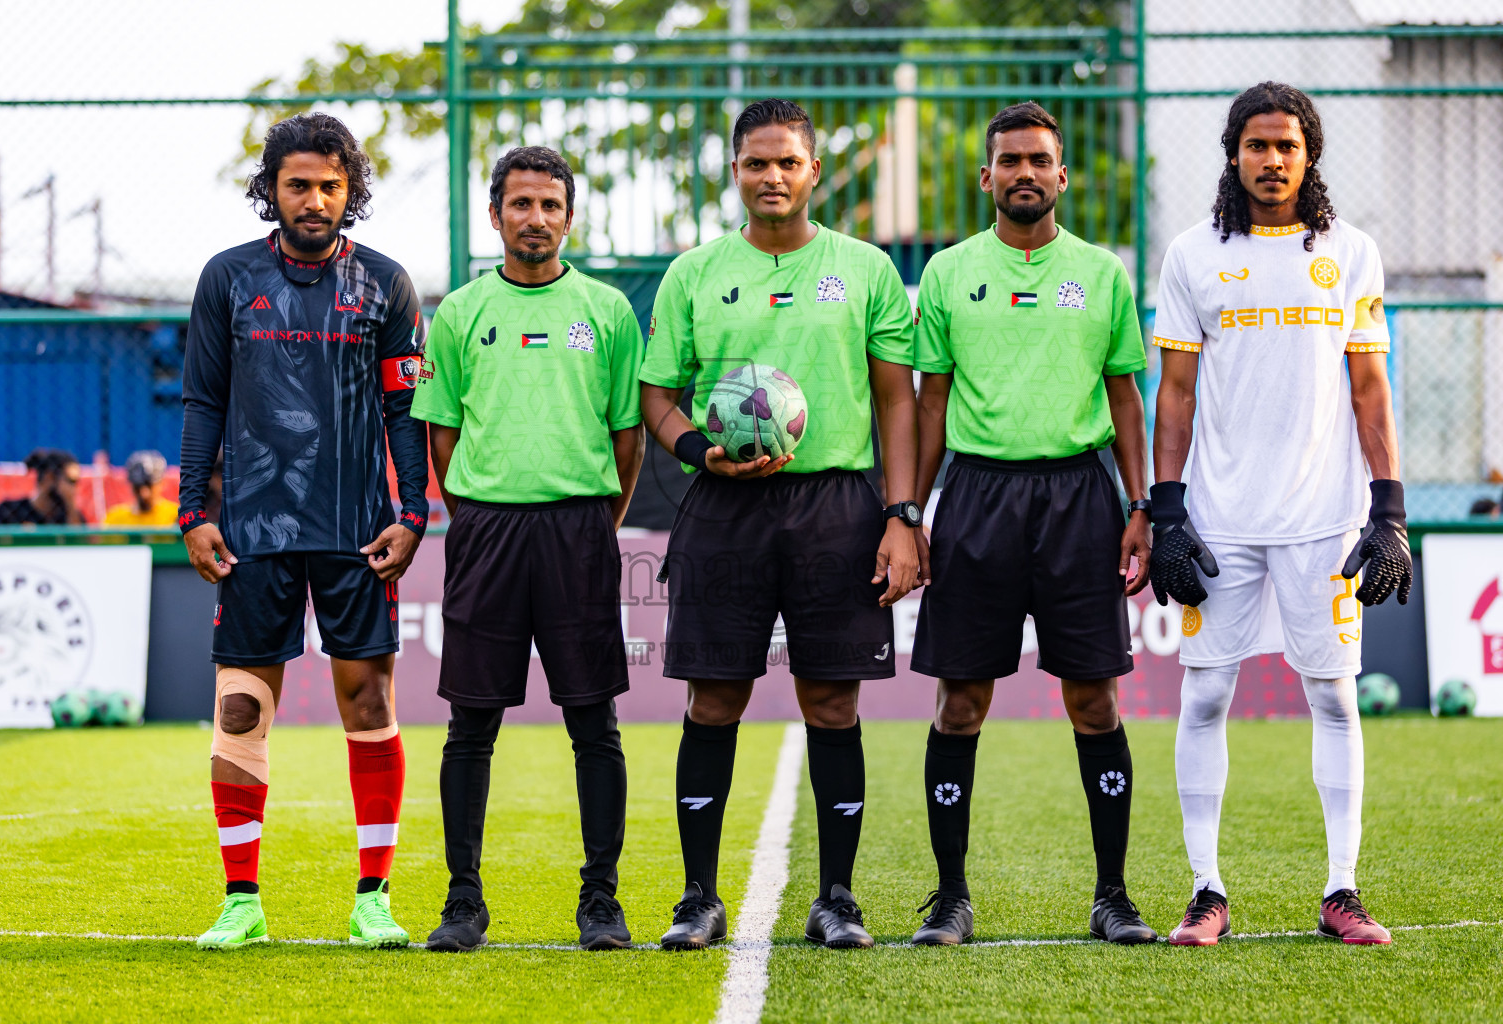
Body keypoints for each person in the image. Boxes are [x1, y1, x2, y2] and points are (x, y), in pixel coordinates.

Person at [640, 99, 919, 951]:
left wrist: (902, 515)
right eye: (756, 163)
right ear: (736, 172)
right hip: (724, 504)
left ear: (813, 172)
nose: (772, 177)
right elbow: (657, 393)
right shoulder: (694, 272)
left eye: (787, 163)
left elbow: (895, 400)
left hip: (837, 502)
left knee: (831, 701)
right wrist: (698, 448)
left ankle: (837, 897)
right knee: (714, 696)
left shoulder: (865, 268)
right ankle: (698, 899)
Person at [1150, 82, 1410, 946]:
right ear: (1233, 153)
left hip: (1325, 520)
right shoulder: (1192, 254)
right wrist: (1168, 513)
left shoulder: (1352, 253)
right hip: (1220, 521)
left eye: (1287, 146)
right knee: (1206, 693)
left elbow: (1371, 389)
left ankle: (1342, 890)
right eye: (1257, 145)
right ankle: (1205, 891)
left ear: (1309, 155)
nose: (1272, 160)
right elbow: (1175, 393)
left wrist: (1390, 512)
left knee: (1334, 696)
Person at [179, 112, 429, 950]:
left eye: (330, 184)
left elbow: (406, 409)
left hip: (359, 532)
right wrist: (191, 510)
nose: (315, 199)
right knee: (242, 710)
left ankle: (373, 899)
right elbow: (203, 402)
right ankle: (241, 902)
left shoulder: (387, 285)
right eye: (299, 184)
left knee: (369, 702)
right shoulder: (226, 279)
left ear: (350, 190)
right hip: (253, 530)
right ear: (272, 190)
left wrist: (413, 510)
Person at [908, 102, 1156, 947]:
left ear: (1060, 175)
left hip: (1080, 500)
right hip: (976, 497)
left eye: (1038, 161)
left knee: (1094, 699)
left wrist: (1140, 505)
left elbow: (1127, 395)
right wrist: (909, 511)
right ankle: (950, 899)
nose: (1023, 174)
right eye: (1008, 161)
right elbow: (928, 401)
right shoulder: (947, 273)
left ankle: (1113, 896)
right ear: (986, 177)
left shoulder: (1103, 273)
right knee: (960, 703)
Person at [412, 147, 645, 952]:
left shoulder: (608, 310)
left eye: (551, 205)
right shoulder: (459, 312)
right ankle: (463, 902)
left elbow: (628, 434)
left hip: (580, 527)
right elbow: (441, 434)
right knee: (470, 724)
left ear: (569, 217)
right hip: (487, 530)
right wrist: (478, 508)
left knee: (594, 721)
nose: (536, 218)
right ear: (496, 216)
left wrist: (595, 516)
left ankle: (601, 902)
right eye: (521, 205)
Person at [0, 448, 82, 525]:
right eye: (71, 481)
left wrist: (70, 506)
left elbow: (81, 540)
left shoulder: (70, 518)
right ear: (49, 477)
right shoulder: (10, 511)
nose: (74, 489)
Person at [104, 450, 179, 526]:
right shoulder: (115, 519)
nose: (144, 493)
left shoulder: (175, 517)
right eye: (138, 487)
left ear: (162, 483)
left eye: (150, 486)